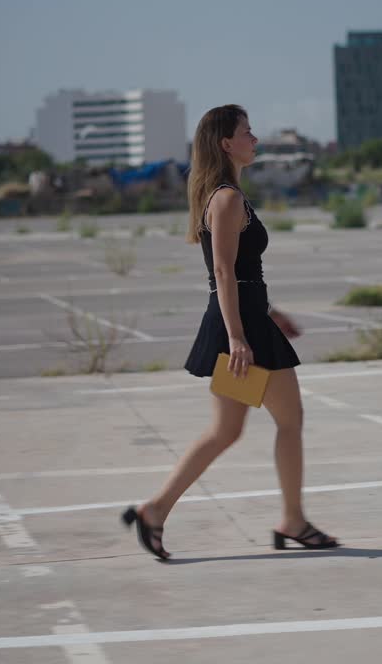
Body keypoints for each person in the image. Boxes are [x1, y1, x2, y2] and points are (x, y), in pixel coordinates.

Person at [121, 104, 339, 560]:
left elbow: (240, 274)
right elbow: (222, 272)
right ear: (226, 143)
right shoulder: (226, 199)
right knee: (288, 421)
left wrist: (270, 313)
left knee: (227, 431)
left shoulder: (228, 195)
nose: (255, 139)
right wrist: (239, 336)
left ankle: (155, 511)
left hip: (248, 321)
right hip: (241, 329)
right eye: (247, 132)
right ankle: (292, 520)